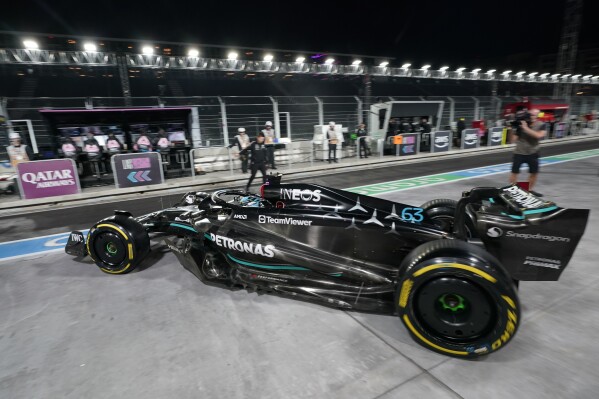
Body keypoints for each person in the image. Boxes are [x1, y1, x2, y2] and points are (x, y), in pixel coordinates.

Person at [509, 109, 546, 196]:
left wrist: (526, 128)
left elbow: (538, 135)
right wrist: (511, 129)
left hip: (533, 152)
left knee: (534, 172)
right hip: (519, 152)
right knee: (514, 172)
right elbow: (512, 140)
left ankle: (528, 190)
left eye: (534, 115)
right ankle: (514, 191)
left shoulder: (541, 124)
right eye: (530, 115)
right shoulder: (520, 125)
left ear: (537, 116)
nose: (532, 117)